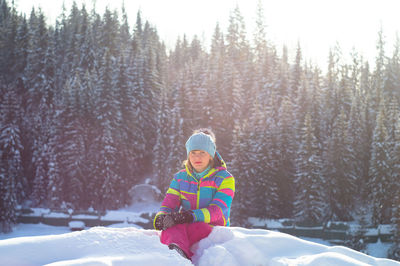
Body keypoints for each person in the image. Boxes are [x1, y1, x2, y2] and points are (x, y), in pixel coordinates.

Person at [153, 128, 235, 260]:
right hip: (186, 223)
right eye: (193, 153)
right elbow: (169, 204)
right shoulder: (180, 177)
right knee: (170, 227)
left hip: (214, 229)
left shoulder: (225, 178)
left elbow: (217, 210)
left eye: (202, 152)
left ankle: (179, 255)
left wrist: (188, 216)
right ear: (188, 155)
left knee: (193, 226)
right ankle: (176, 255)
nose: (197, 157)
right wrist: (161, 218)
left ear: (211, 154)